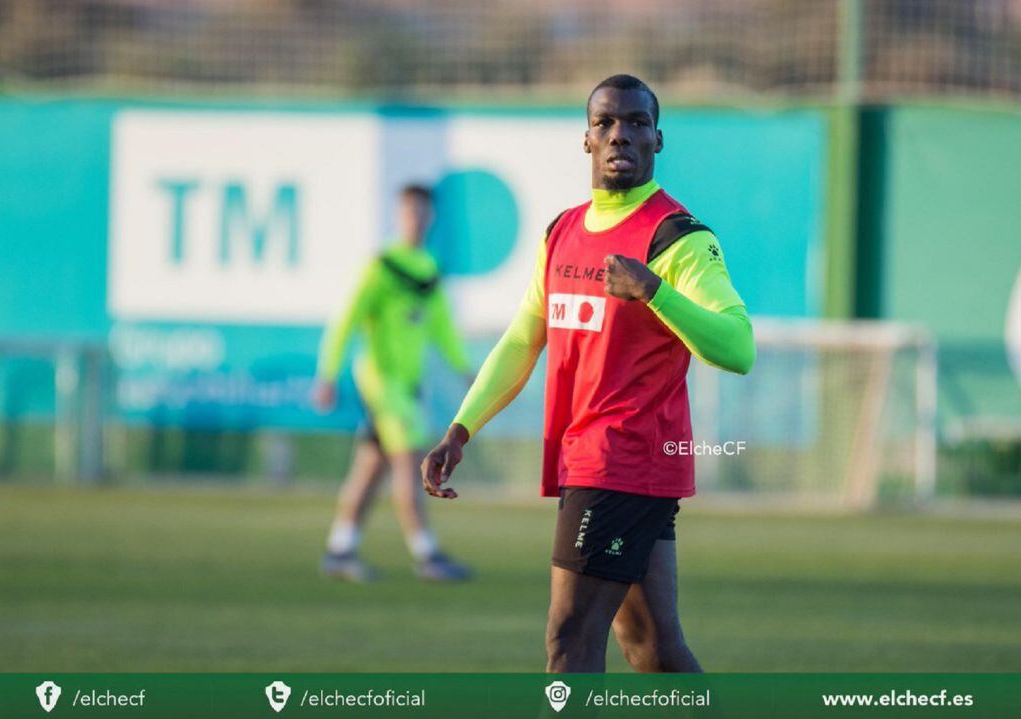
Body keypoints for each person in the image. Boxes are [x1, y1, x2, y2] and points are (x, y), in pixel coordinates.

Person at [421, 75, 756, 671]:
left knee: (569, 636)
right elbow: (525, 338)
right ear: (586, 140)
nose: (619, 134)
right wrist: (461, 428)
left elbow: (738, 347)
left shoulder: (677, 238)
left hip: (624, 458)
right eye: (605, 123)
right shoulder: (561, 232)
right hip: (598, 461)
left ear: (658, 139)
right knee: (651, 647)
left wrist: (653, 291)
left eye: (635, 122)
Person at [315, 184, 473, 582]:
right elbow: (346, 320)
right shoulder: (382, 265)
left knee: (370, 466)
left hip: (409, 384)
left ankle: (340, 547)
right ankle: (427, 554)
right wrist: (327, 375)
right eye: (408, 212)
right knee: (411, 461)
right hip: (383, 383)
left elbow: (441, 328)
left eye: (422, 212)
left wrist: (465, 369)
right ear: (397, 216)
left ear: (430, 217)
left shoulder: (429, 268)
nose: (415, 219)